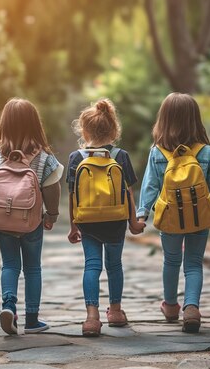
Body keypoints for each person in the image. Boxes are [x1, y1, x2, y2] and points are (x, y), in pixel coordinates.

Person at [136, 92, 210, 333]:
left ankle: (171, 306)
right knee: (194, 263)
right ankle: (192, 308)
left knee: (171, 261)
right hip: (199, 217)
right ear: (195, 120)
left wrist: (142, 213)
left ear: (163, 120)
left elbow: (150, 185)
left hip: (169, 219)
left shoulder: (158, 152)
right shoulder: (205, 151)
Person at [66, 99, 146, 337]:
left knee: (92, 265)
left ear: (84, 130)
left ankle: (92, 317)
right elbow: (129, 192)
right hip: (116, 219)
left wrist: (73, 226)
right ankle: (116, 311)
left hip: (88, 220)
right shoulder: (120, 156)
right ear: (114, 130)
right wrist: (133, 222)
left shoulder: (76, 157)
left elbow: (73, 196)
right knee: (114, 265)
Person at [0, 98, 63, 335]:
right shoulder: (44, 157)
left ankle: (9, 305)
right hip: (31, 222)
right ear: (34, 124)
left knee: (9, 264)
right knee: (32, 269)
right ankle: (32, 319)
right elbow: (52, 187)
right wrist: (52, 214)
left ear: (4, 124)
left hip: (2, 221)